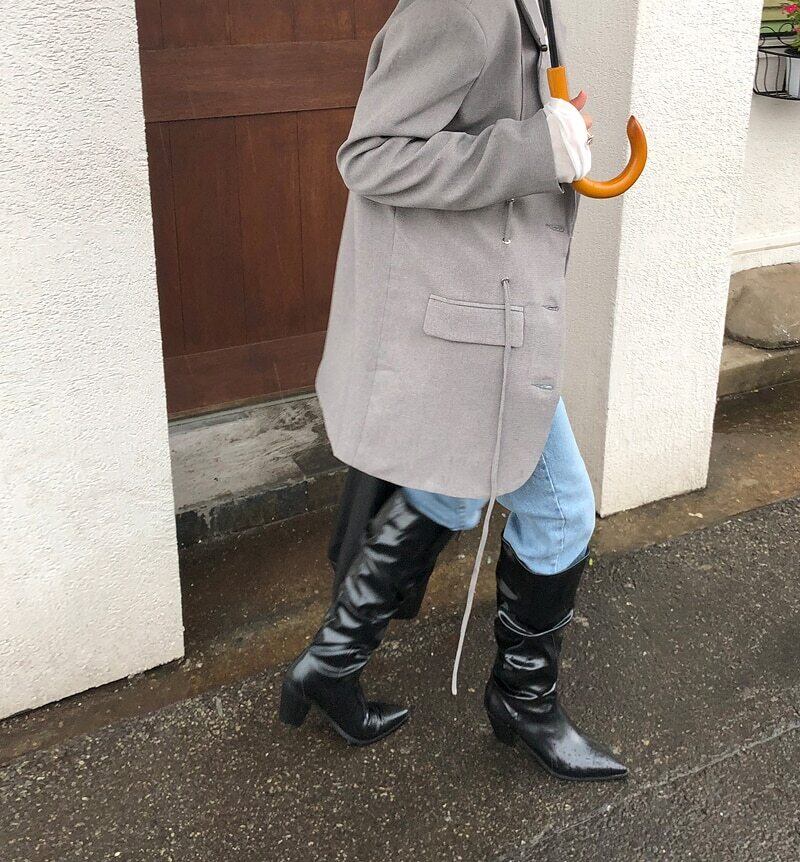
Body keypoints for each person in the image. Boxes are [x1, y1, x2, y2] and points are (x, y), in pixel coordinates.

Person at [279, 0, 627, 782]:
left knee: (455, 488)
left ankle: (330, 663)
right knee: (562, 510)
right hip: (473, 320)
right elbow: (371, 157)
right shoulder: (460, 6)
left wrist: (551, 130)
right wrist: (534, 146)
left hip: (488, 309)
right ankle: (524, 702)